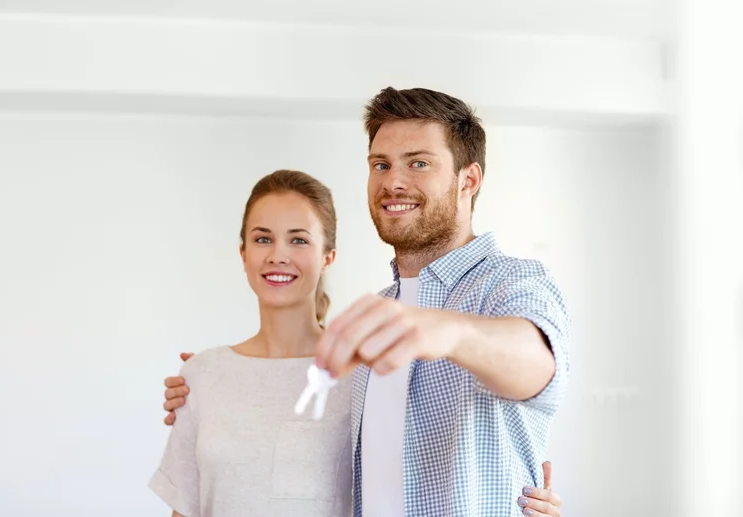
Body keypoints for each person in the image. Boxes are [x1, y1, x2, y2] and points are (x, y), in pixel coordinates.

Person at [160, 87, 570, 517]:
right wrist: (215, 381)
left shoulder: (512, 283)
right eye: (381, 164)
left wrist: (446, 331)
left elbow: (540, 364)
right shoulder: (380, 315)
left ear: (468, 180)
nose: (393, 181)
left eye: (419, 163)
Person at [149, 170, 352, 517]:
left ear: (327, 257)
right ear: (243, 254)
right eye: (263, 239)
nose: (278, 255)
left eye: (298, 240)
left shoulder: (360, 376)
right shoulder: (201, 376)